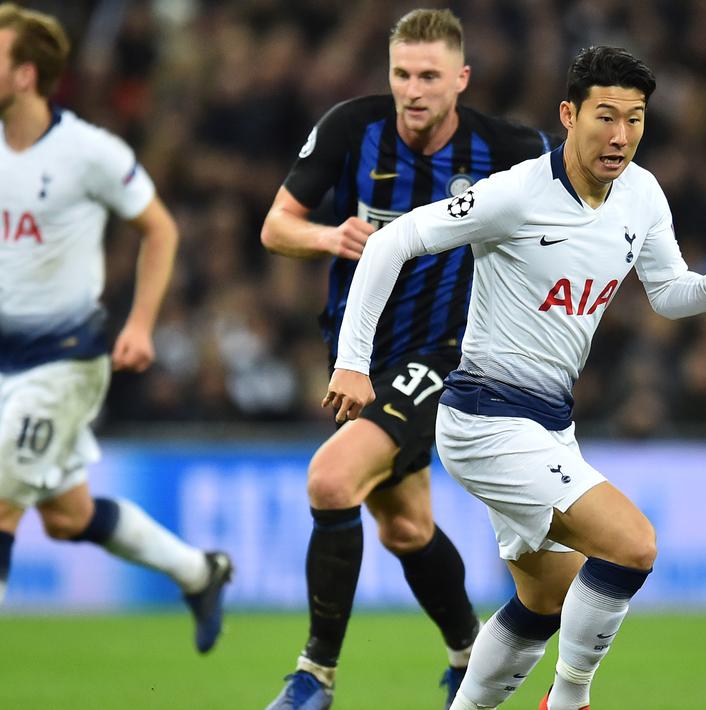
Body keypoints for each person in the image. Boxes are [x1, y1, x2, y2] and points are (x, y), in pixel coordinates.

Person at [325, 45, 706, 710]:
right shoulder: (516, 195)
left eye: (634, 119)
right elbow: (395, 241)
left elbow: (664, 292)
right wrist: (351, 360)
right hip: (483, 420)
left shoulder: (641, 195)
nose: (620, 135)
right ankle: (568, 700)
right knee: (632, 544)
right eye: (604, 116)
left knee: (542, 600)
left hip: (549, 427)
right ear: (568, 115)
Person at [259, 9, 551, 710]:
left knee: (331, 483)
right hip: (358, 354)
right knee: (405, 526)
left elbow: (576, 213)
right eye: (400, 74)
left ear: (461, 80)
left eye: (428, 76)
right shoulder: (351, 129)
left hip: (448, 352)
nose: (412, 90)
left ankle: (313, 677)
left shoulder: (507, 148)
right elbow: (275, 227)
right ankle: (470, 660)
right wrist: (331, 238)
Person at [0, 3, 231, 651]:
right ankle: (199, 570)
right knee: (69, 518)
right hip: (4, 362)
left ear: (24, 75)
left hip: (63, 361)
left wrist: (141, 324)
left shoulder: (88, 151)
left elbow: (159, 226)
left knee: (0, 502)